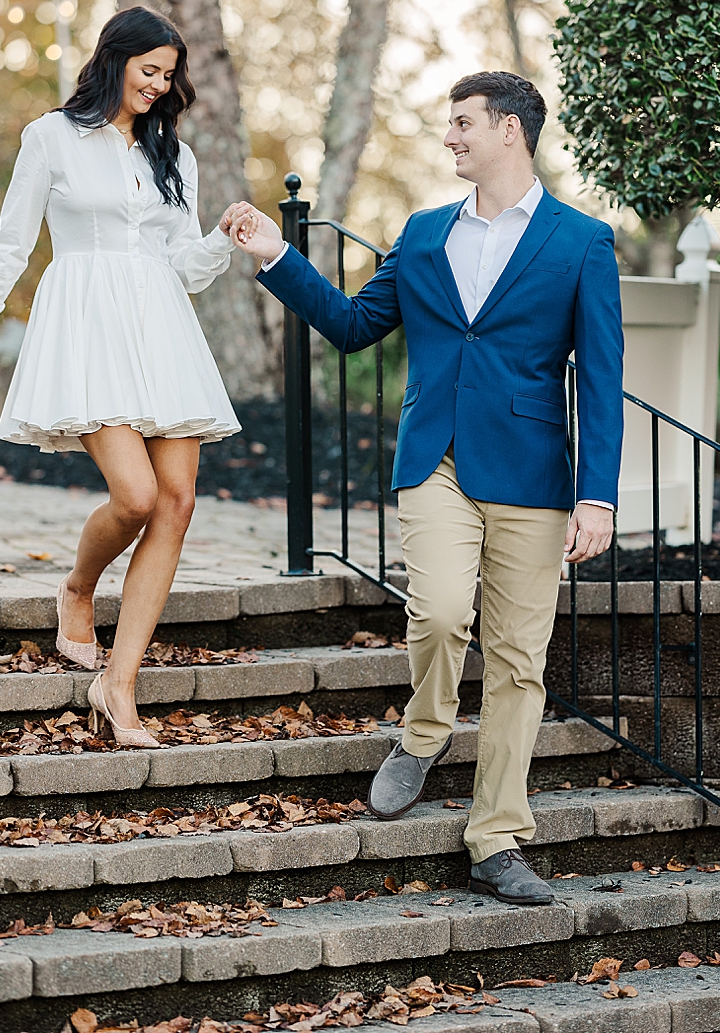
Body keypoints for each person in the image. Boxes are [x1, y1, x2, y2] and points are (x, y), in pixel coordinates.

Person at [226, 70, 623, 905]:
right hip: (435, 456)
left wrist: (599, 495)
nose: (450, 137)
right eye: (449, 124)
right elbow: (353, 325)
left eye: (463, 123)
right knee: (440, 610)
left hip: (533, 473)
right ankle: (425, 728)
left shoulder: (581, 241)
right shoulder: (423, 231)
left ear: (510, 130)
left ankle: (497, 840)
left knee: (519, 662)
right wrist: (276, 255)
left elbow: (602, 378)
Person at [0, 6, 242, 747]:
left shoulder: (172, 152)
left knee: (176, 503)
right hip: (85, 327)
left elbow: (182, 267)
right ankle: (77, 589)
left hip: (162, 327)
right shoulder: (51, 137)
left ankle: (119, 684)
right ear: (114, 60)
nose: (158, 86)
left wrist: (220, 240)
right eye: (150, 71)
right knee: (136, 495)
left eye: (169, 76)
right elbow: (11, 243)